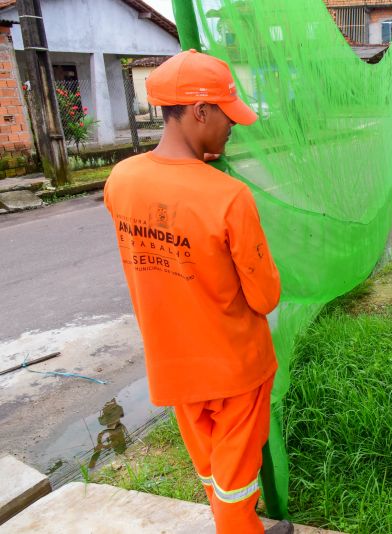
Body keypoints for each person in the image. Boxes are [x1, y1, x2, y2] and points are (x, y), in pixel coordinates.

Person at [104, 50, 291, 534]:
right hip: (235, 367)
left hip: (173, 365)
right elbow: (265, 297)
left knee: (213, 471)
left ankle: (237, 521)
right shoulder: (227, 195)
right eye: (228, 115)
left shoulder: (121, 180)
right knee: (236, 479)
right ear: (200, 111)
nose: (233, 127)